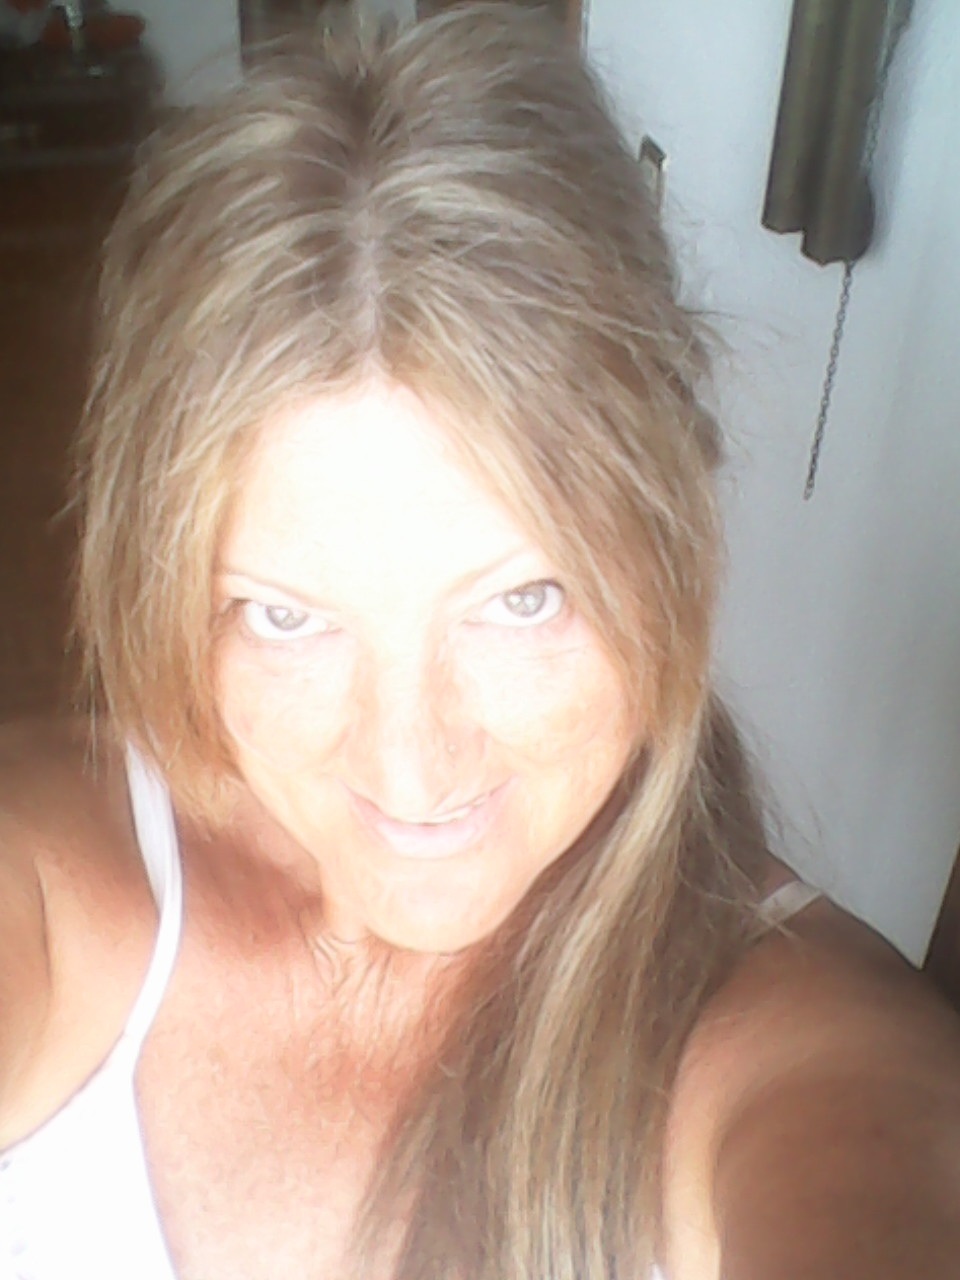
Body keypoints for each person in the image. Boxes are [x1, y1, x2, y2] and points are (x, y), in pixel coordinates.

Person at [1, 6, 959, 1278]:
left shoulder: (812, 1059)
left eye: (525, 599)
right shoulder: (54, 875)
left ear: (672, 537)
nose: (411, 767)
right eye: (287, 616)